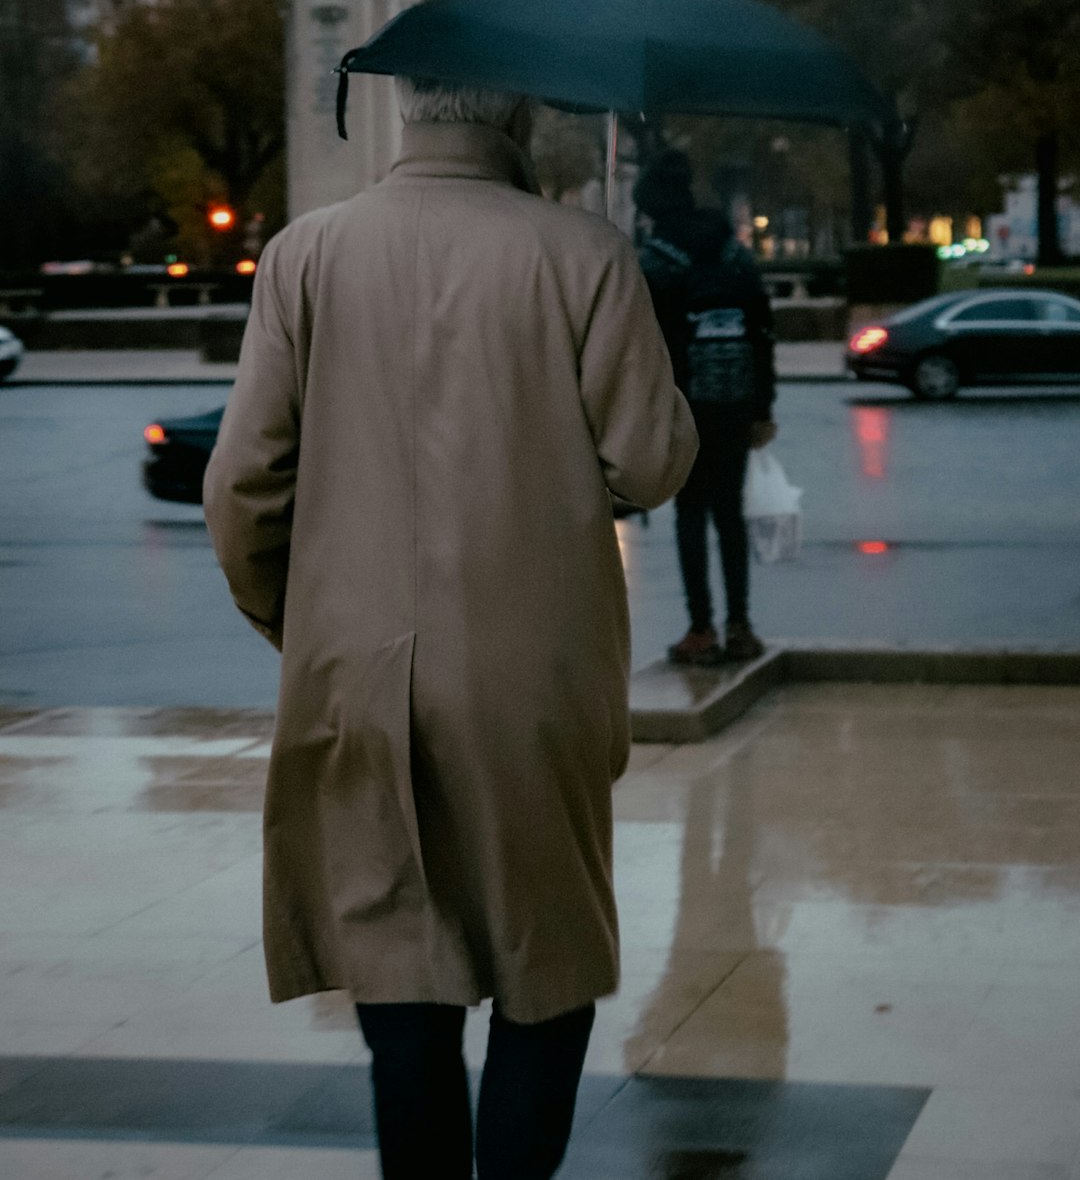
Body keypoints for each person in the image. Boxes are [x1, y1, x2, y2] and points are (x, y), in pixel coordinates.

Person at [203, 84, 697, 1180]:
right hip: (534, 678)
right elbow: (650, 461)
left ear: (406, 117)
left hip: (355, 670)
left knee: (402, 977)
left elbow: (241, 485)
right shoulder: (584, 253)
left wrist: (297, 624)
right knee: (546, 968)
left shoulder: (304, 255)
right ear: (515, 118)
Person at [634, 150, 777, 666]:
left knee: (690, 515)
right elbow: (762, 329)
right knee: (729, 515)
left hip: (685, 403)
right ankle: (741, 624)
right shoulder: (731, 250)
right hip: (736, 401)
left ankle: (701, 629)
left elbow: (642, 343)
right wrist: (763, 404)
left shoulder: (654, 260)